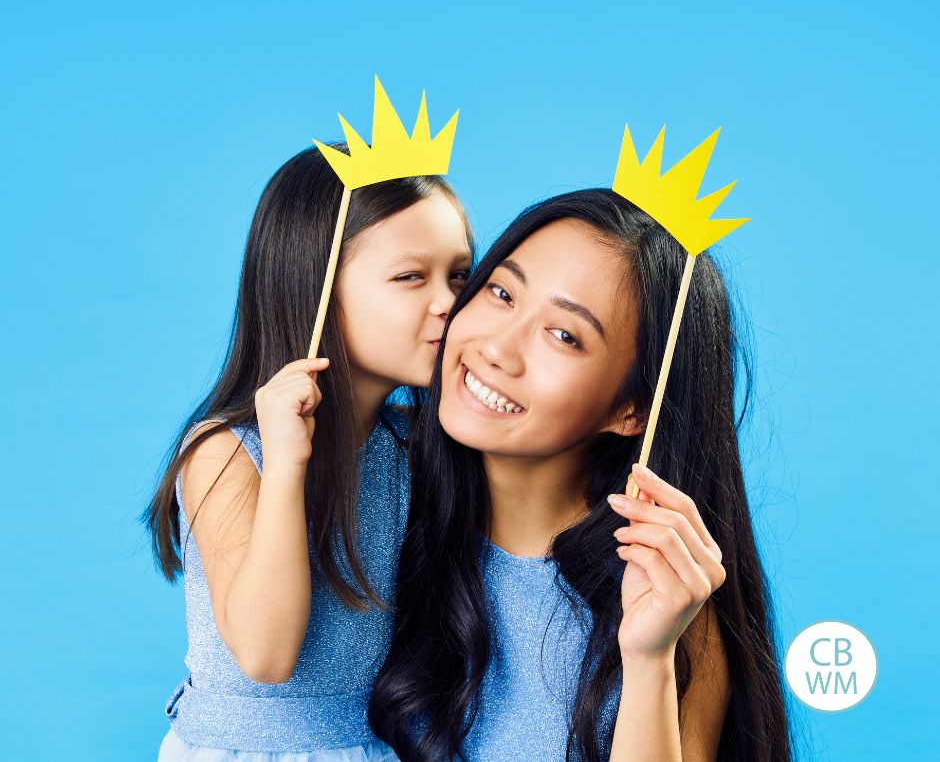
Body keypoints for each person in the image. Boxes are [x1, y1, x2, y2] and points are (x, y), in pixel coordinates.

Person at [370, 189, 792, 761]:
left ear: (632, 410)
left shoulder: (665, 602)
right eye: (501, 292)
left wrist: (648, 660)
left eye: (564, 336)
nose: (497, 348)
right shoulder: (377, 492)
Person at [141, 143, 473, 760]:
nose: (449, 302)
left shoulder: (414, 446)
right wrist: (289, 465)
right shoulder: (227, 451)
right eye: (410, 277)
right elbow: (266, 655)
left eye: (459, 274)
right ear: (314, 287)